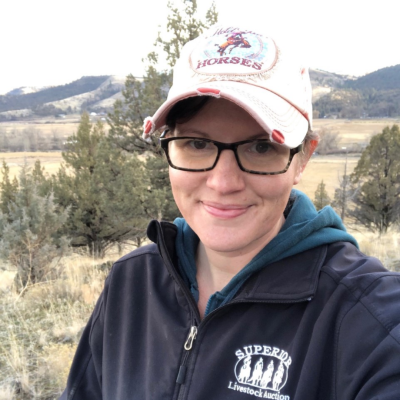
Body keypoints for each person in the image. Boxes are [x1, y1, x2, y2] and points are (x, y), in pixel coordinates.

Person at [61, 23, 400, 400]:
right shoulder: (132, 283)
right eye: (196, 143)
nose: (223, 183)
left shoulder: (370, 319)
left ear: (302, 158)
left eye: (259, 148)